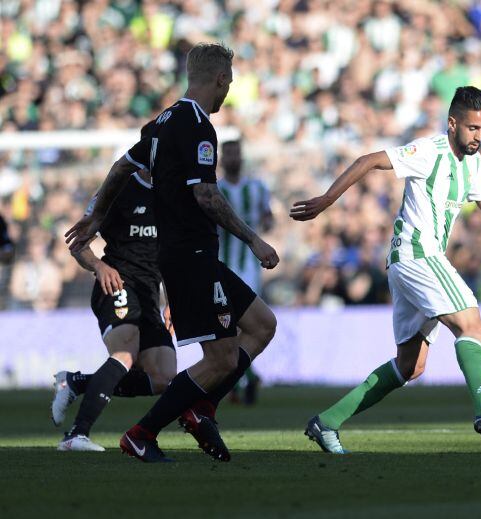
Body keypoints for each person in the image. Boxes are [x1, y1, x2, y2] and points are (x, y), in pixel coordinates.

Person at [291, 86, 481, 454]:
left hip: (410, 263)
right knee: (473, 326)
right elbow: (369, 160)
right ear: (452, 123)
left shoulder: (476, 165)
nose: (479, 136)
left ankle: (327, 421)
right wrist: (326, 200)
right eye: (473, 128)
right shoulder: (429, 151)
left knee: (410, 367)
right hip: (418, 255)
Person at [65, 42, 279, 463]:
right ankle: (142, 433)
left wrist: (96, 214)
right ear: (220, 79)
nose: (228, 91)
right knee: (219, 358)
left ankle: (203, 407)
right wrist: (253, 239)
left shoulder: (162, 121)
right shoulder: (198, 125)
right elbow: (206, 195)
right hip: (189, 255)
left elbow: (122, 166)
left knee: (261, 325)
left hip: (189, 255)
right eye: (229, 82)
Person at [51, 168, 177, 452]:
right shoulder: (117, 190)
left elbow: (169, 255)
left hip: (148, 295)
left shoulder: (173, 193)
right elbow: (78, 243)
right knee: (125, 352)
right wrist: (99, 266)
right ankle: (75, 435)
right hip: (116, 284)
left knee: (163, 376)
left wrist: (172, 301)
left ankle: (76, 382)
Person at [218, 139, 273, 404]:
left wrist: (268, 220)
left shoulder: (258, 187)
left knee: (241, 325)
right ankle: (248, 377)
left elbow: (268, 217)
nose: (233, 158)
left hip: (250, 267)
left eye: (236, 153)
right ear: (221, 157)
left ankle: (239, 380)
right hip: (222, 264)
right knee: (230, 327)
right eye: (228, 153)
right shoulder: (215, 189)